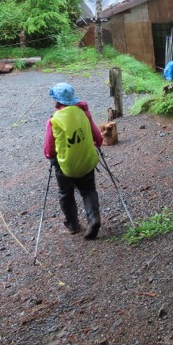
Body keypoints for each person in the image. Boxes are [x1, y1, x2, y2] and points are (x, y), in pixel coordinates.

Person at [43, 82, 104, 239]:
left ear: (57, 101)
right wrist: (97, 142)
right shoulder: (83, 112)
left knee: (65, 193)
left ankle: (73, 224)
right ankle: (94, 219)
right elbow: (97, 135)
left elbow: (50, 149)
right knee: (88, 190)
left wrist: (50, 158)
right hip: (86, 160)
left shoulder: (54, 120)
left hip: (66, 166)